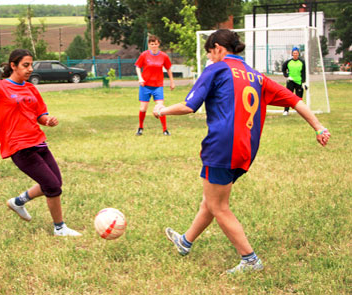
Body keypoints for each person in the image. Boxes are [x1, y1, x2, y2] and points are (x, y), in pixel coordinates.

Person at [152, 29, 330, 274]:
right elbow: (295, 100)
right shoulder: (256, 75)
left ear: (218, 48)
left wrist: (161, 110)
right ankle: (185, 241)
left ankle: (250, 259)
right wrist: (319, 127)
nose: (210, 58)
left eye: (210, 53)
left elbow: (189, 106)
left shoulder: (217, 69)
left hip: (222, 146)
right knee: (212, 200)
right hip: (246, 148)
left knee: (218, 206)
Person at [0, 49, 82, 237]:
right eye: (26, 65)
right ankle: (59, 228)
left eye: (31, 65)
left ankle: (18, 202)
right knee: (52, 186)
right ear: (13, 66)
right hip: (19, 146)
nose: (30, 69)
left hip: (39, 142)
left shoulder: (31, 88)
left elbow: (41, 114)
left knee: (56, 182)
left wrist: (48, 120)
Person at [135, 35, 175, 136]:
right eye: (152, 44)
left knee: (160, 108)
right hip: (145, 85)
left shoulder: (163, 56)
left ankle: (165, 130)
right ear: (149, 45)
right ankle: (140, 128)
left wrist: (172, 81)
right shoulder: (144, 55)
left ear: (159, 44)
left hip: (158, 86)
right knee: (143, 108)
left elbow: (169, 69)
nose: (154, 46)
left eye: (156, 44)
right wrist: (140, 78)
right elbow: (137, 66)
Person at [282, 47, 306, 116]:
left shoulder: (302, 62)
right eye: (294, 53)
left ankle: (299, 111)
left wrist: (304, 82)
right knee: (288, 96)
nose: (295, 54)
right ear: (292, 54)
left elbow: (304, 72)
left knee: (298, 98)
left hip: (299, 81)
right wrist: (287, 75)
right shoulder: (288, 62)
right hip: (290, 81)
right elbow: (283, 69)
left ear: (298, 54)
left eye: (296, 53)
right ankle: (286, 110)